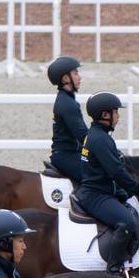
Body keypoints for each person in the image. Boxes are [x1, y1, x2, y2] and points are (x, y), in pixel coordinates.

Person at [77, 91, 139, 274]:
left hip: (101, 189)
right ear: (105, 115)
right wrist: (138, 190)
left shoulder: (97, 134)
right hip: (96, 195)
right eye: (116, 112)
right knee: (127, 223)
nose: (118, 116)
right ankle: (113, 268)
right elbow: (117, 171)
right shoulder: (101, 139)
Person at [46, 56, 86, 185]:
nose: (79, 77)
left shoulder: (67, 99)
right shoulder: (67, 104)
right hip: (66, 156)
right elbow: (83, 135)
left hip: (71, 152)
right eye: (75, 73)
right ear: (65, 78)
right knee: (99, 177)